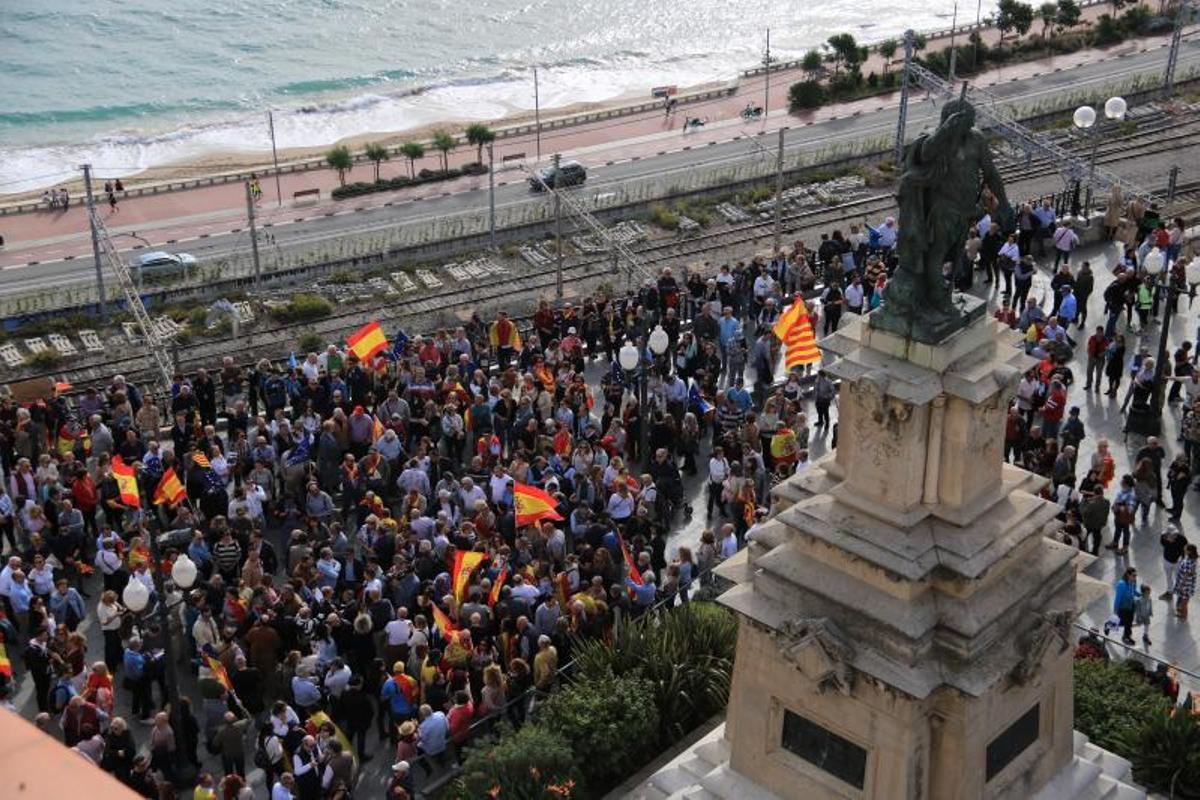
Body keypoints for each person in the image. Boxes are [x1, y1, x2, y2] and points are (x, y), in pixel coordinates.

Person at [1105, 567, 1139, 646]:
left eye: (1136, 575)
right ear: (1128, 575)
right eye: (1133, 575)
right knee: (1122, 622)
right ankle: (1108, 625)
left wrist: (1140, 594)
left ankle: (1126, 636)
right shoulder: (1121, 584)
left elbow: (1134, 591)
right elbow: (1118, 598)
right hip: (1123, 607)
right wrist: (1115, 610)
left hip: (1131, 605)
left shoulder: (1133, 582)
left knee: (1129, 622)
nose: (1135, 577)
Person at [1174, 544, 1198, 619]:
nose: (1184, 549)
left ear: (1189, 551)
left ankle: (1183, 615)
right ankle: (1181, 610)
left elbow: (1186, 575)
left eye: (1186, 549)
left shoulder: (1188, 562)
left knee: (1184, 601)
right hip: (1190, 583)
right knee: (1184, 599)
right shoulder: (1194, 558)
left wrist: (1181, 585)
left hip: (1185, 584)